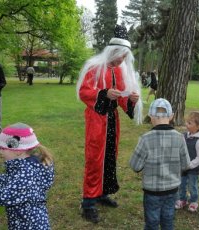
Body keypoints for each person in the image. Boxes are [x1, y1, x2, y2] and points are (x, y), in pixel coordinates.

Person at [76, 24, 143, 223]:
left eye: (124, 57)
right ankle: (88, 201)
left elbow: (122, 97)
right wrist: (104, 94)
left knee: (109, 157)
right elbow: (84, 92)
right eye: (119, 56)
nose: (121, 60)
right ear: (112, 51)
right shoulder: (95, 68)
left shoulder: (119, 71)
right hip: (97, 120)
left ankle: (102, 193)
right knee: (95, 157)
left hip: (112, 120)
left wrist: (130, 99)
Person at [0, 122, 54, 229]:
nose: (0, 152)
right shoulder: (27, 166)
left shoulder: (26, 174)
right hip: (26, 222)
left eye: (3, 148)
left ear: (17, 151)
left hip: (29, 226)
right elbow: (6, 180)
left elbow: (1, 197)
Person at [130, 98, 190, 230]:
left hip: (152, 192)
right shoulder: (180, 138)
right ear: (171, 116)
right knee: (168, 220)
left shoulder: (145, 139)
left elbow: (135, 166)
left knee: (152, 222)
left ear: (151, 116)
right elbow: (186, 165)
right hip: (172, 190)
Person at [175, 111, 199, 212]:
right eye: (187, 122)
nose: (186, 124)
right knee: (182, 183)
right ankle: (182, 199)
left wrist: (190, 165)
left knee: (192, 185)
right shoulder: (184, 135)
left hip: (193, 168)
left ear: (198, 126)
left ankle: (193, 201)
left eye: (190, 123)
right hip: (183, 166)